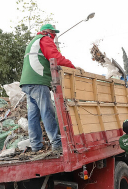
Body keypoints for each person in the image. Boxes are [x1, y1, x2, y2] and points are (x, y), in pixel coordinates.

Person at [20, 24, 81, 153]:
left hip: (27, 83)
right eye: (53, 34)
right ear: (48, 32)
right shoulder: (45, 39)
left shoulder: (33, 42)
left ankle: (36, 146)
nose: (53, 37)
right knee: (47, 111)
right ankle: (56, 143)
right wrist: (73, 68)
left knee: (33, 115)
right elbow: (56, 58)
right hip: (38, 81)